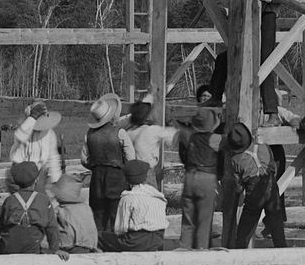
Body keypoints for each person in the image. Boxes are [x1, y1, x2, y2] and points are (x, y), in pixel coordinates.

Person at [225, 118, 288, 249]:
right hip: (271, 186)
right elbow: (273, 168)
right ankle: (283, 253)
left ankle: (239, 254)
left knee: (245, 228)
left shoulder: (235, 159)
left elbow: (238, 186)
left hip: (253, 192)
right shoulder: (263, 146)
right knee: (277, 226)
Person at [84, 93, 132, 239]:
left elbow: (83, 159)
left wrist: (96, 166)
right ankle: (113, 243)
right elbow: (131, 158)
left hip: (97, 177)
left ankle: (98, 243)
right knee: (115, 213)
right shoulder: (120, 133)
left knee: (98, 212)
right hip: (117, 177)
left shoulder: (89, 135)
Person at [176, 108, 223, 250]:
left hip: (190, 176)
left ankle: (184, 248)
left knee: (187, 219)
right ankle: (201, 251)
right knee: (204, 219)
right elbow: (233, 143)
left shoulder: (189, 137)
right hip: (206, 178)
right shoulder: (216, 139)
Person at [112, 159, 173, 252]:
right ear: (145, 177)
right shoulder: (157, 195)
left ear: (126, 179)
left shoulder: (127, 199)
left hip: (136, 241)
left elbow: (120, 229)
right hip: (158, 239)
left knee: (101, 238)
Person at [0, 160, 56, 256]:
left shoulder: (9, 200)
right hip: (33, 246)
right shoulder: (43, 200)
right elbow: (52, 227)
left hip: (10, 246)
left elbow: (1, 226)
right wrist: (54, 249)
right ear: (36, 180)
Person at [9, 102, 64, 184]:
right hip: (20, 173)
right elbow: (20, 137)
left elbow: (53, 157)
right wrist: (32, 118)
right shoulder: (24, 130)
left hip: (39, 175)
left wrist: (56, 179)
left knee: (38, 196)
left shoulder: (49, 133)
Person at [50, 173, 101, 254]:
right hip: (90, 245)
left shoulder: (59, 210)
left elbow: (50, 229)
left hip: (69, 246)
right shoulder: (86, 208)